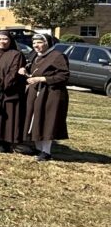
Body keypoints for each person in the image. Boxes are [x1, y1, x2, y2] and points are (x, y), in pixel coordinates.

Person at [21, 33, 70, 162]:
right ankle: (38, 148)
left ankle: (46, 151)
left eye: (39, 43)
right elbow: (34, 72)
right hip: (36, 91)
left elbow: (63, 76)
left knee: (47, 120)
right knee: (35, 119)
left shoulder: (57, 56)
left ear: (47, 43)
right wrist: (26, 72)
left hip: (51, 93)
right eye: (34, 43)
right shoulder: (35, 56)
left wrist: (42, 79)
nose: (36, 46)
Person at [0, 30, 27, 153]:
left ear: (10, 41)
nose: (1, 42)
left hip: (11, 91)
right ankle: (0, 142)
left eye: (4, 39)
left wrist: (0, 85)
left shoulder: (16, 54)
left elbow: (13, 74)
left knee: (10, 118)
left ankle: (10, 144)